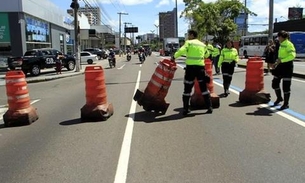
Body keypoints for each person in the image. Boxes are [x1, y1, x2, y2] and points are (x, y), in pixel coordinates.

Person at [171, 29, 213, 115]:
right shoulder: (202, 44)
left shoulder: (189, 43)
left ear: (192, 35)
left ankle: (186, 109)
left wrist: (174, 56)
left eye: (189, 35)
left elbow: (181, 50)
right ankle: (209, 107)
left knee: (187, 89)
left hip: (190, 69)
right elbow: (207, 54)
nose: (188, 36)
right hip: (200, 68)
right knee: (204, 88)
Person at [271, 30, 296, 110]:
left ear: (282, 37)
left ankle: (286, 103)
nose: (278, 38)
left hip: (287, 67)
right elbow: (279, 57)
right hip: (280, 66)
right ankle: (279, 98)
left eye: (279, 36)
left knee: (286, 86)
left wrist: (282, 61)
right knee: (275, 83)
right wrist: (276, 63)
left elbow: (292, 56)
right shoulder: (280, 44)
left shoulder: (289, 44)